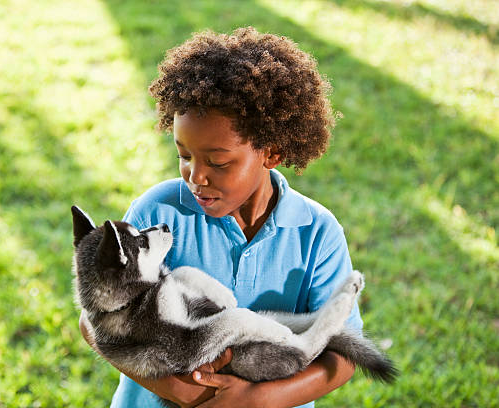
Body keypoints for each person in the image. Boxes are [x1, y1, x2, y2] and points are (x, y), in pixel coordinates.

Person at [79, 26, 363, 408]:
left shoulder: (316, 233)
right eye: (184, 155)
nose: (196, 176)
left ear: (272, 153)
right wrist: (181, 392)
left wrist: (257, 399)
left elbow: (343, 353)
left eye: (218, 161)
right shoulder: (158, 214)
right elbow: (95, 321)